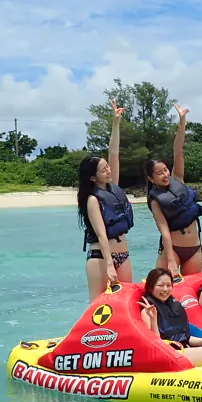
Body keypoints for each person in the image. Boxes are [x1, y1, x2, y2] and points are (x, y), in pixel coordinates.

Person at [77, 98, 135, 301]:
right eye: (103, 169)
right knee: (99, 304)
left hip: (123, 255)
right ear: (93, 177)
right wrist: (110, 266)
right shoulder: (93, 200)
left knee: (126, 302)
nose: (108, 170)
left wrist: (116, 122)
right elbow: (102, 236)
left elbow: (114, 152)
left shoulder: (113, 187)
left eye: (107, 167)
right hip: (101, 258)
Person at [145, 102, 202, 276]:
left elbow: (178, 149)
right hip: (174, 250)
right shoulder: (155, 200)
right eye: (159, 173)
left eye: (165, 170)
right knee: (161, 292)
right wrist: (171, 259)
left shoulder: (177, 177)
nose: (164, 175)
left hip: (194, 248)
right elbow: (164, 231)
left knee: (190, 296)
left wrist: (182, 120)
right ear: (151, 178)